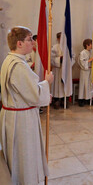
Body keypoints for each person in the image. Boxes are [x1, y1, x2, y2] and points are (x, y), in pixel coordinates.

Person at [0, 26, 54, 185]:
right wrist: (47, 82)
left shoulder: (9, 60)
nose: (33, 42)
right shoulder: (18, 66)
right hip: (20, 121)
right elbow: (35, 95)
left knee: (17, 157)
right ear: (19, 43)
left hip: (15, 115)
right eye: (29, 39)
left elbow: (25, 91)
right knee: (24, 158)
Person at [78, 39, 93, 107]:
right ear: (87, 45)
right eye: (91, 44)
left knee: (89, 85)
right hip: (85, 72)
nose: (92, 46)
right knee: (84, 85)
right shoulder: (82, 53)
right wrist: (90, 60)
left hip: (91, 71)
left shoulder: (91, 52)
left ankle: (89, 98)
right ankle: (82, 99)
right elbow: (81, 63)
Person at [51, 32, 65, 109]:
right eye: (60, 38)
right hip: (57, 70)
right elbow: (51, 58)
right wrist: (60, 59)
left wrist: (67, 62)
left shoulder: (67, 46)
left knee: (63, 86)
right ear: (58, 39)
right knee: (56, 86)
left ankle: (63, 100)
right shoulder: (54, 47)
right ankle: (55, 100)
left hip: (64, 70)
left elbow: (72, 57)